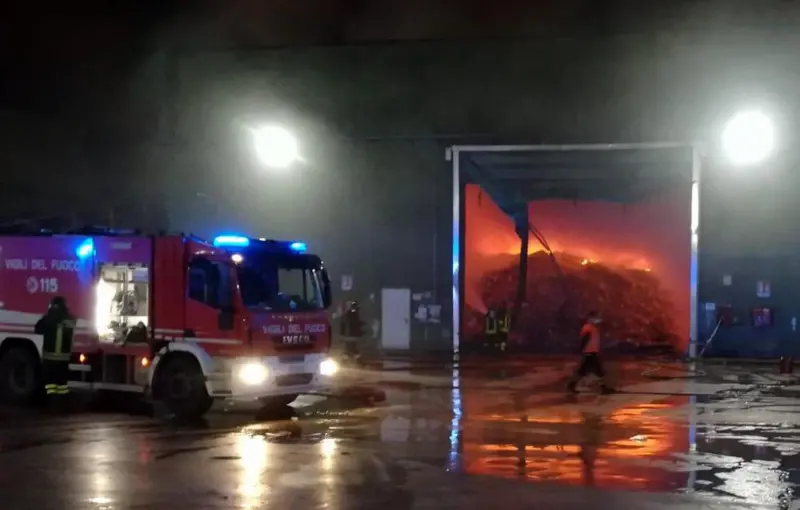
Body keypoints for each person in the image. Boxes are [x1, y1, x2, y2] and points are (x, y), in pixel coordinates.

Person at [35, 296, 75, 407]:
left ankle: (51, 404)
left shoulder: (49, 318)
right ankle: (62, 405)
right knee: (62, 384)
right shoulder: (70, 319)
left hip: (50, 358)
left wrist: (46, 316)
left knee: (50, 384)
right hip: (64, 359)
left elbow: (37, 329)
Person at [566, 311, 614, 394]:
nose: (597, 320)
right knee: (598, 370)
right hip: (589, 352)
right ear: (590, 318)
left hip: (591, 352)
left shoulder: (592, 328)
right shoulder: (588, 328)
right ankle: (603, 388)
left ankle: (571, 385)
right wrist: (582, 349)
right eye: (595, 318)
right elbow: (584, 339)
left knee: (583, 371)